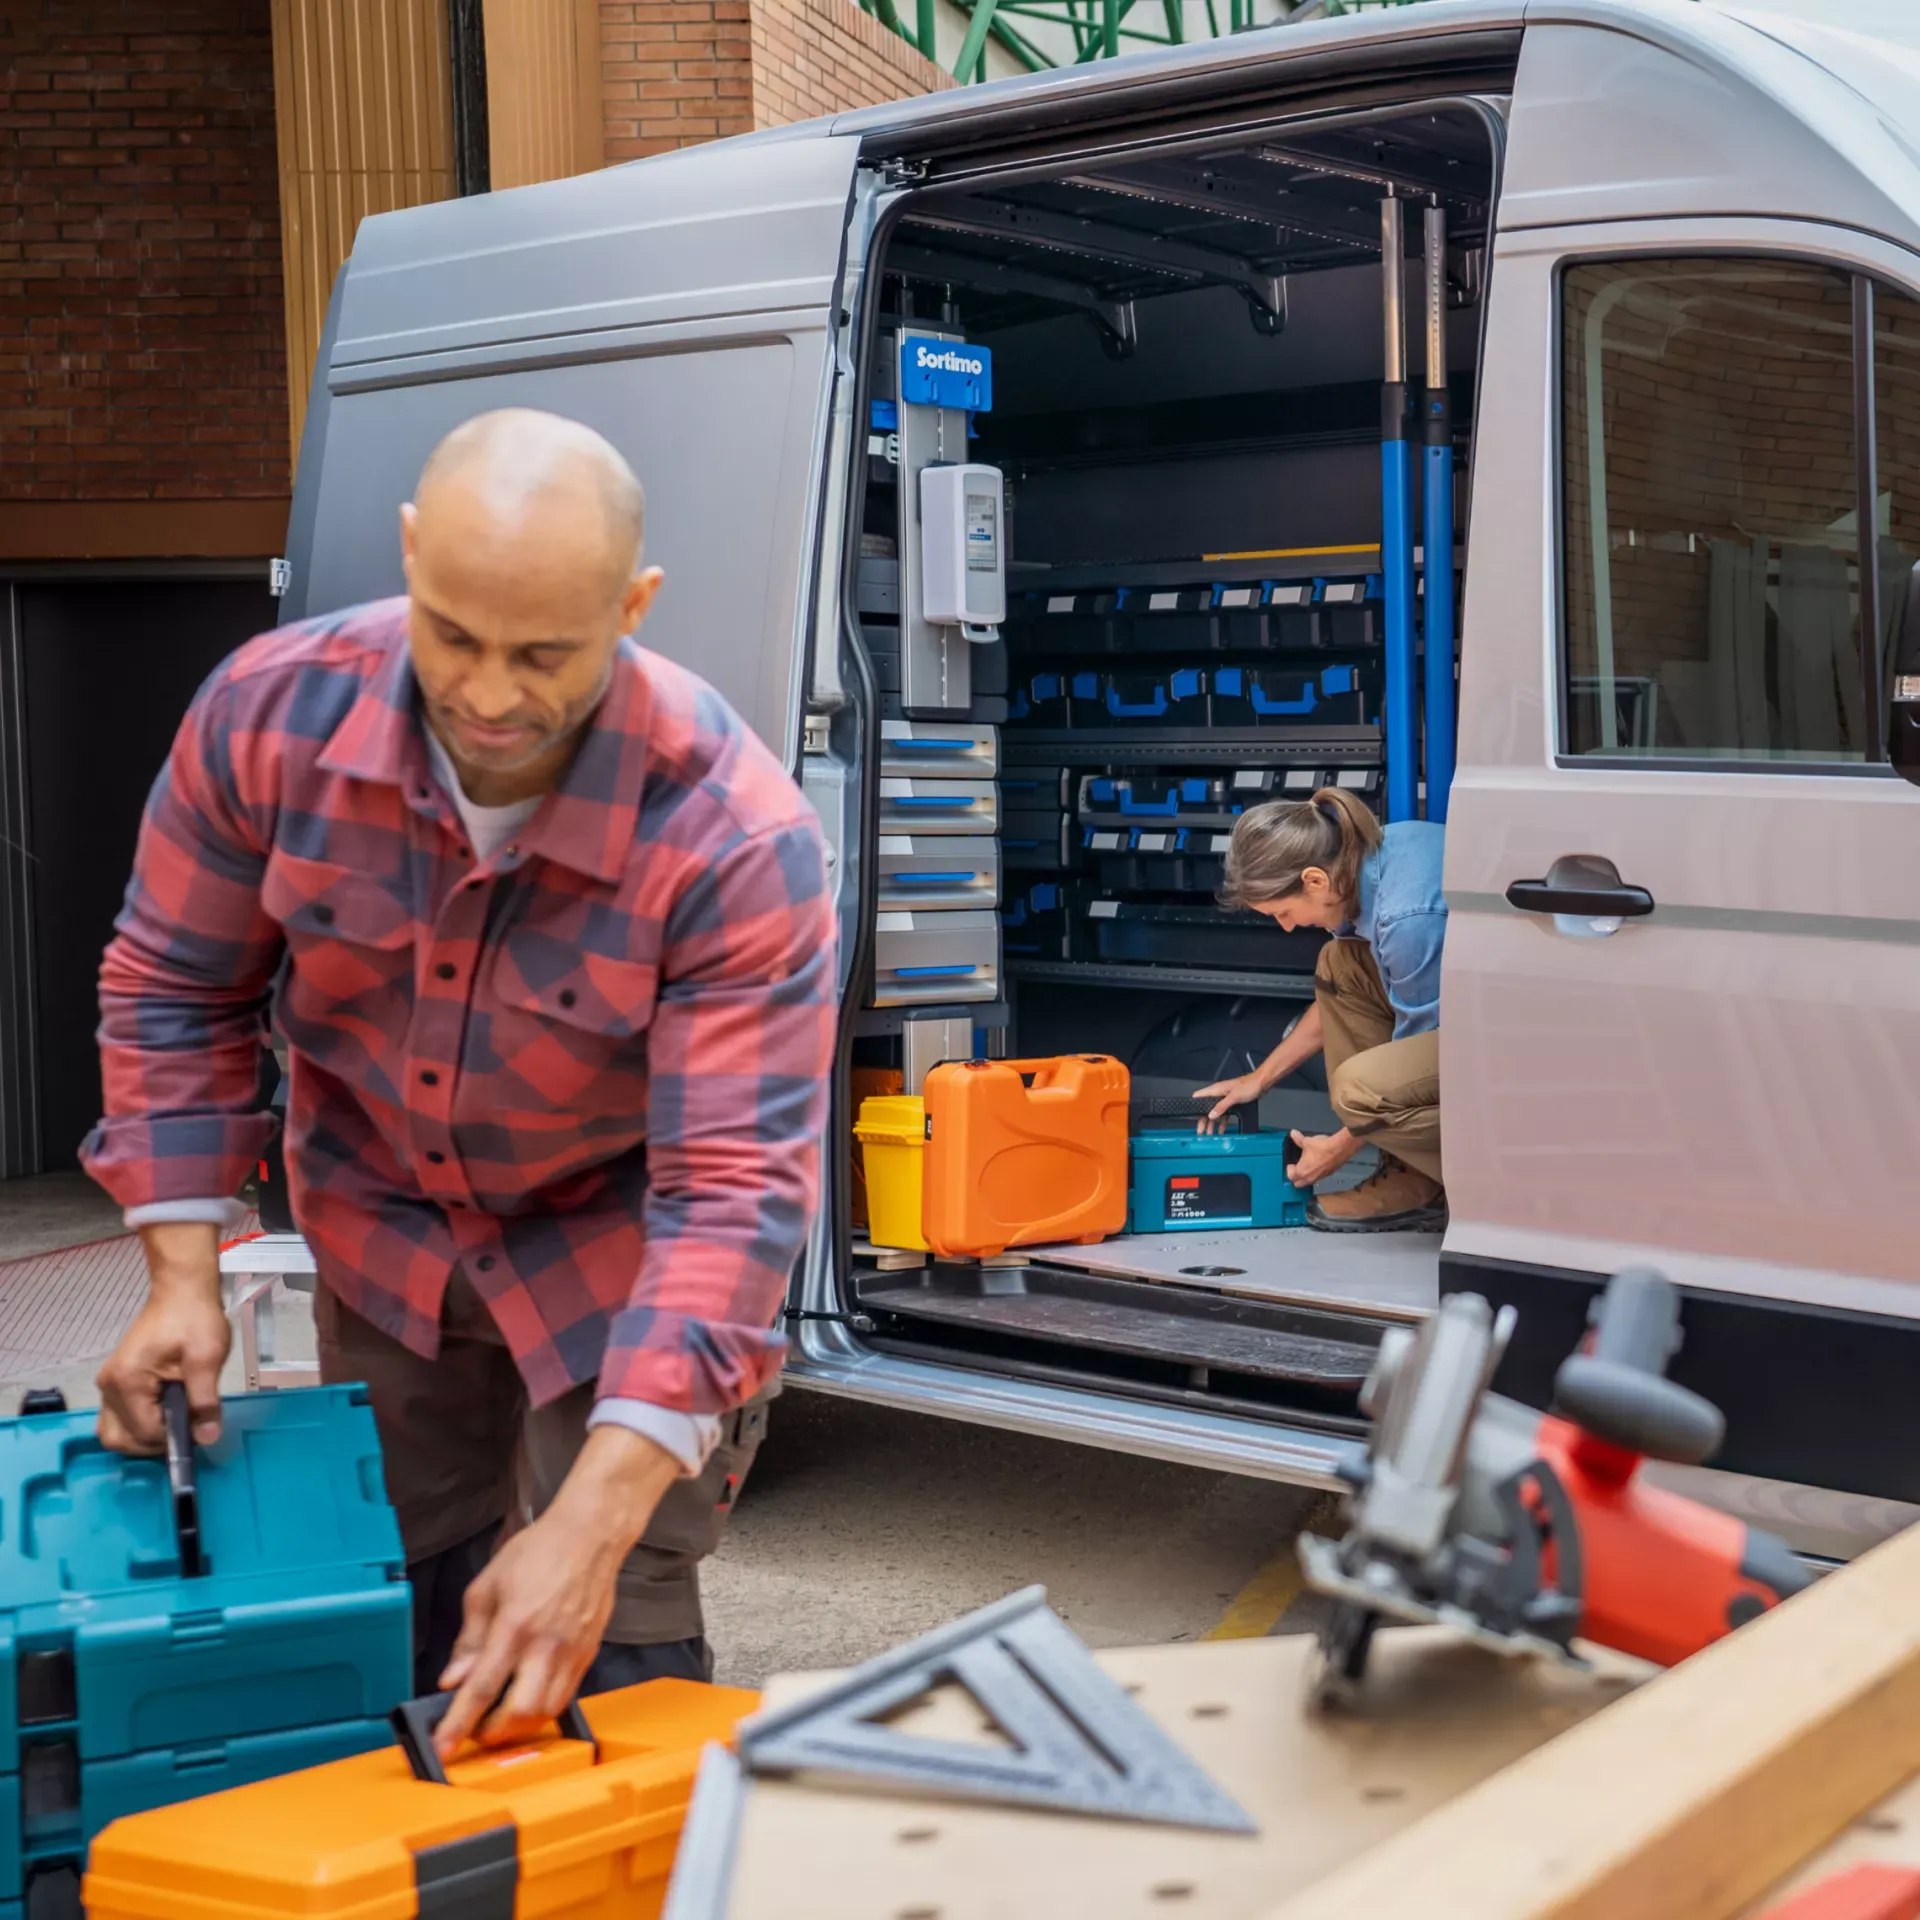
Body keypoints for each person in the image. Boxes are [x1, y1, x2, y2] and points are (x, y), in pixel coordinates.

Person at [83, 408, 837, 1760]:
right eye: (453, 637)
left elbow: (732, 1193)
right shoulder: (268, 717)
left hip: (622, 1260)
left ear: (633, 606)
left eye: (544, 654)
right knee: (402, 1589)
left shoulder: (732, 833)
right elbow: (176, 984)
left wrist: (591, 1525)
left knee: (607, 1633)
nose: (489, 694)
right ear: (411, 554)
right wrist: (181, 1274)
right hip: (382, 1234)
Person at [1194, 787, 1445, 1232]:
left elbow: (1417, 1080)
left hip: (1515, 1056)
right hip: (1473, 1027)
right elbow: (1338, 997)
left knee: (1358, 1091)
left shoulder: (1406, 921)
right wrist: (1259, 1079)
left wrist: (1337, 1148)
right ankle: (1411, 1177)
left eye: (1283, 912)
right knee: (1340, 963)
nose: (1287, 927)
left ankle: (1462, 1184)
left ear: (1314, 881)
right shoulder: (1365, 861)